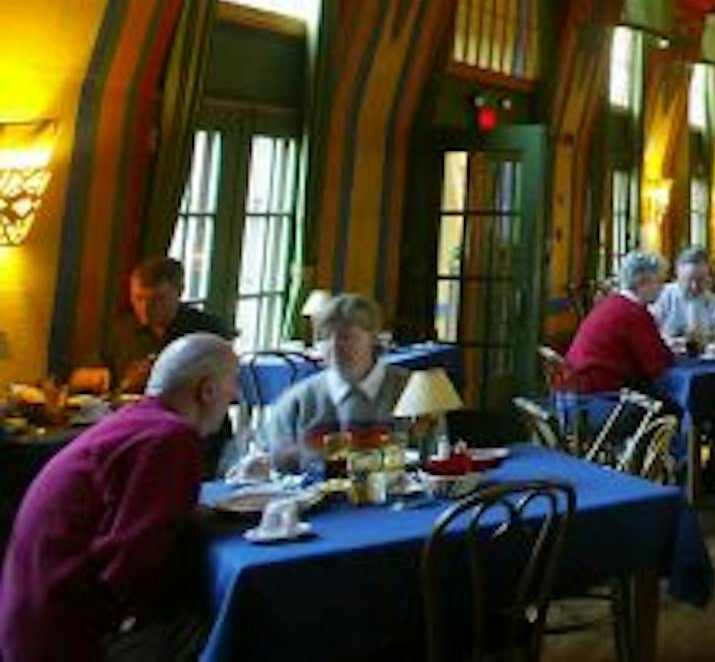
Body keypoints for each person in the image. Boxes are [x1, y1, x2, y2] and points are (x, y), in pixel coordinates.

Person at [1, 333, 240, 661]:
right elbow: (133, 564)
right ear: (207, 390)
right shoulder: (169, 438)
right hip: (64, 637)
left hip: (29, 621)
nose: (234, 395)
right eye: (232, 383)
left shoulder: (136, 420)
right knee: (224, 623)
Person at [260, 293, 412, 455]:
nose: (333, 347)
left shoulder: (410, 391)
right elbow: (266, 455)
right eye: (325, 338)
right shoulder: (298, 401)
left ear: (374, 338)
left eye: (346, 337)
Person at [106, 256, 235, 395]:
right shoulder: (123, 330)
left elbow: (226, 389)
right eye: (139, 298)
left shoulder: (208, 331)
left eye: (157, 299)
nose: (145, 308)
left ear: (180, 292)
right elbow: (96, 374)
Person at [565, 250, 674, 393]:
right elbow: (656, 366)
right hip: (600, 393)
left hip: (574, 387)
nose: (662, 288)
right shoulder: (635, 313)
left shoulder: (611, 303)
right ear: (643, 282)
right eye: (660, 281)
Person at [649, 245, 715, 342]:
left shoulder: (714, 302)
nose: (694, 286)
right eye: (689, 280)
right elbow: (649, 332)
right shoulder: (662, 296)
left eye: (700, 280)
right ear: (677, 276)